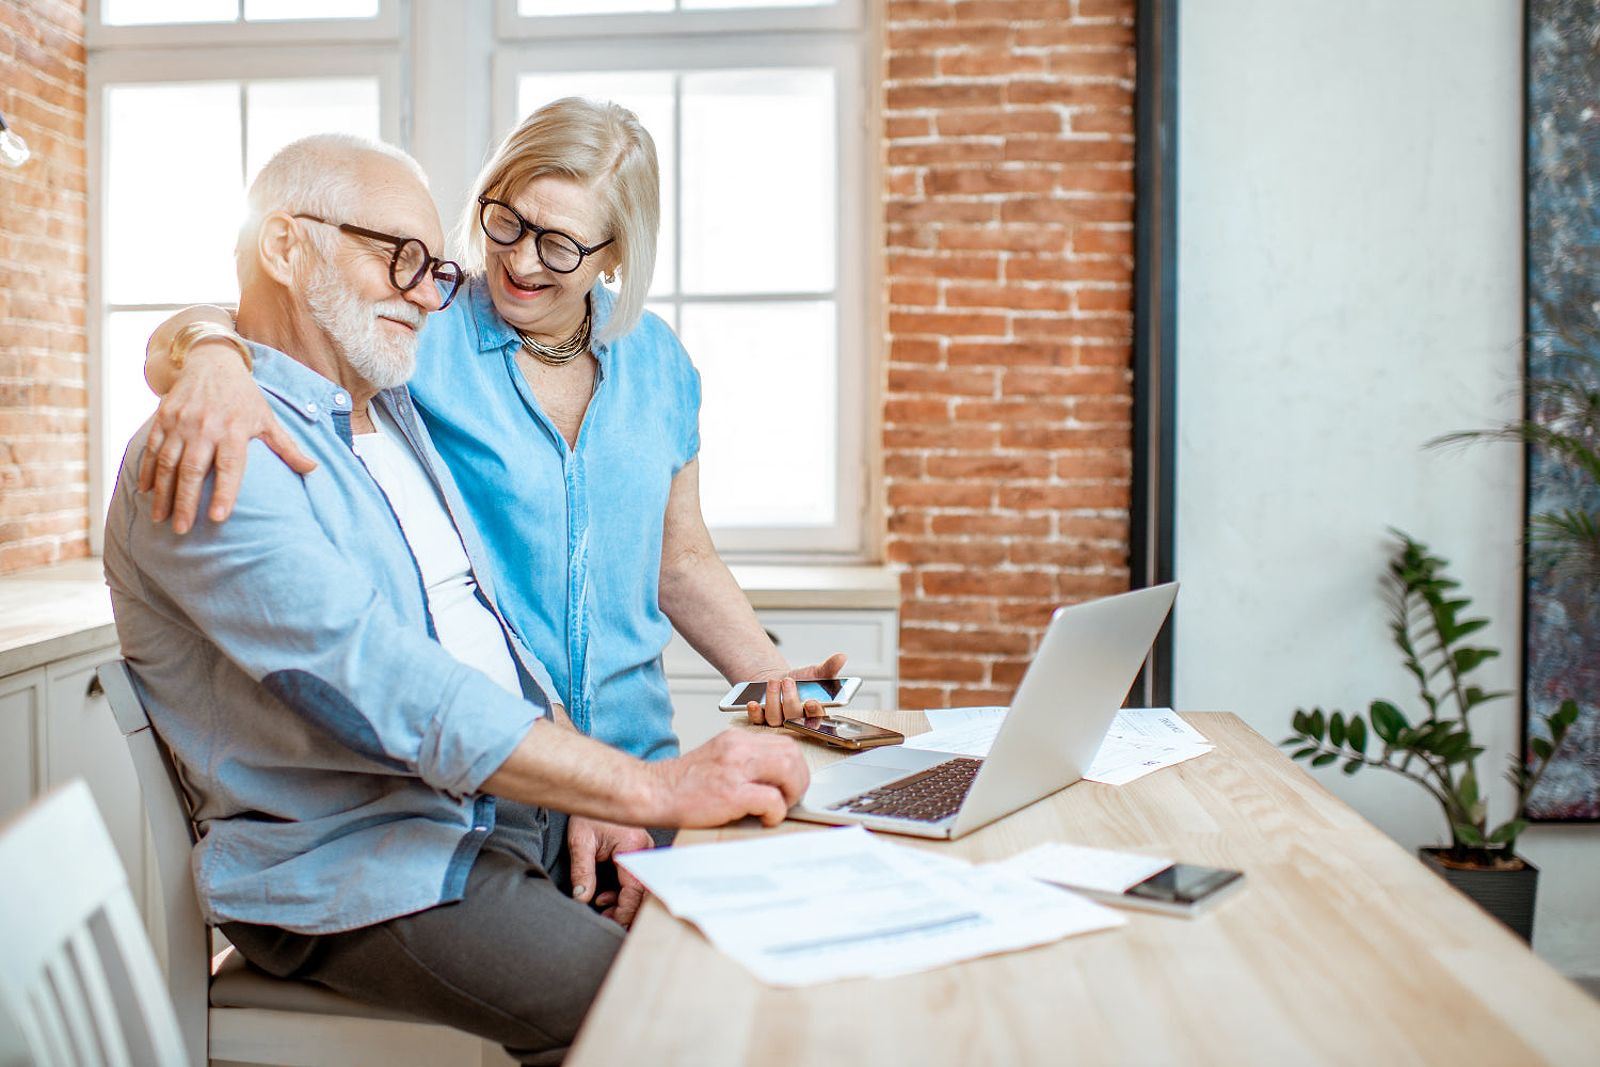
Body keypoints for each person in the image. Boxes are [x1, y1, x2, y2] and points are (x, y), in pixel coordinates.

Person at [105, 132, 809, 1066]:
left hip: (502, 806)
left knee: (772, 926)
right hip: (373, 859)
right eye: (398, 255)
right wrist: (644, 782)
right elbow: (381, 679)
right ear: (284, 247)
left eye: (433, 266)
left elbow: (487, 629)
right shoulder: (216, 450)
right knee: (677, 1013)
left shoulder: (383, 406)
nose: (428, 290)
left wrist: (593, 784)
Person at [142, 96, 844, 758]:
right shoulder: (423, 323)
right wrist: (211, 355)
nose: (520, 258)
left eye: (560, 244)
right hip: (497, 764)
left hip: (642, 756)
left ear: (617, 254)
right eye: (507, 221)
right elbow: (258, 313)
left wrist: (776, 679)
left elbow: (682, 562)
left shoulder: (658, 362)